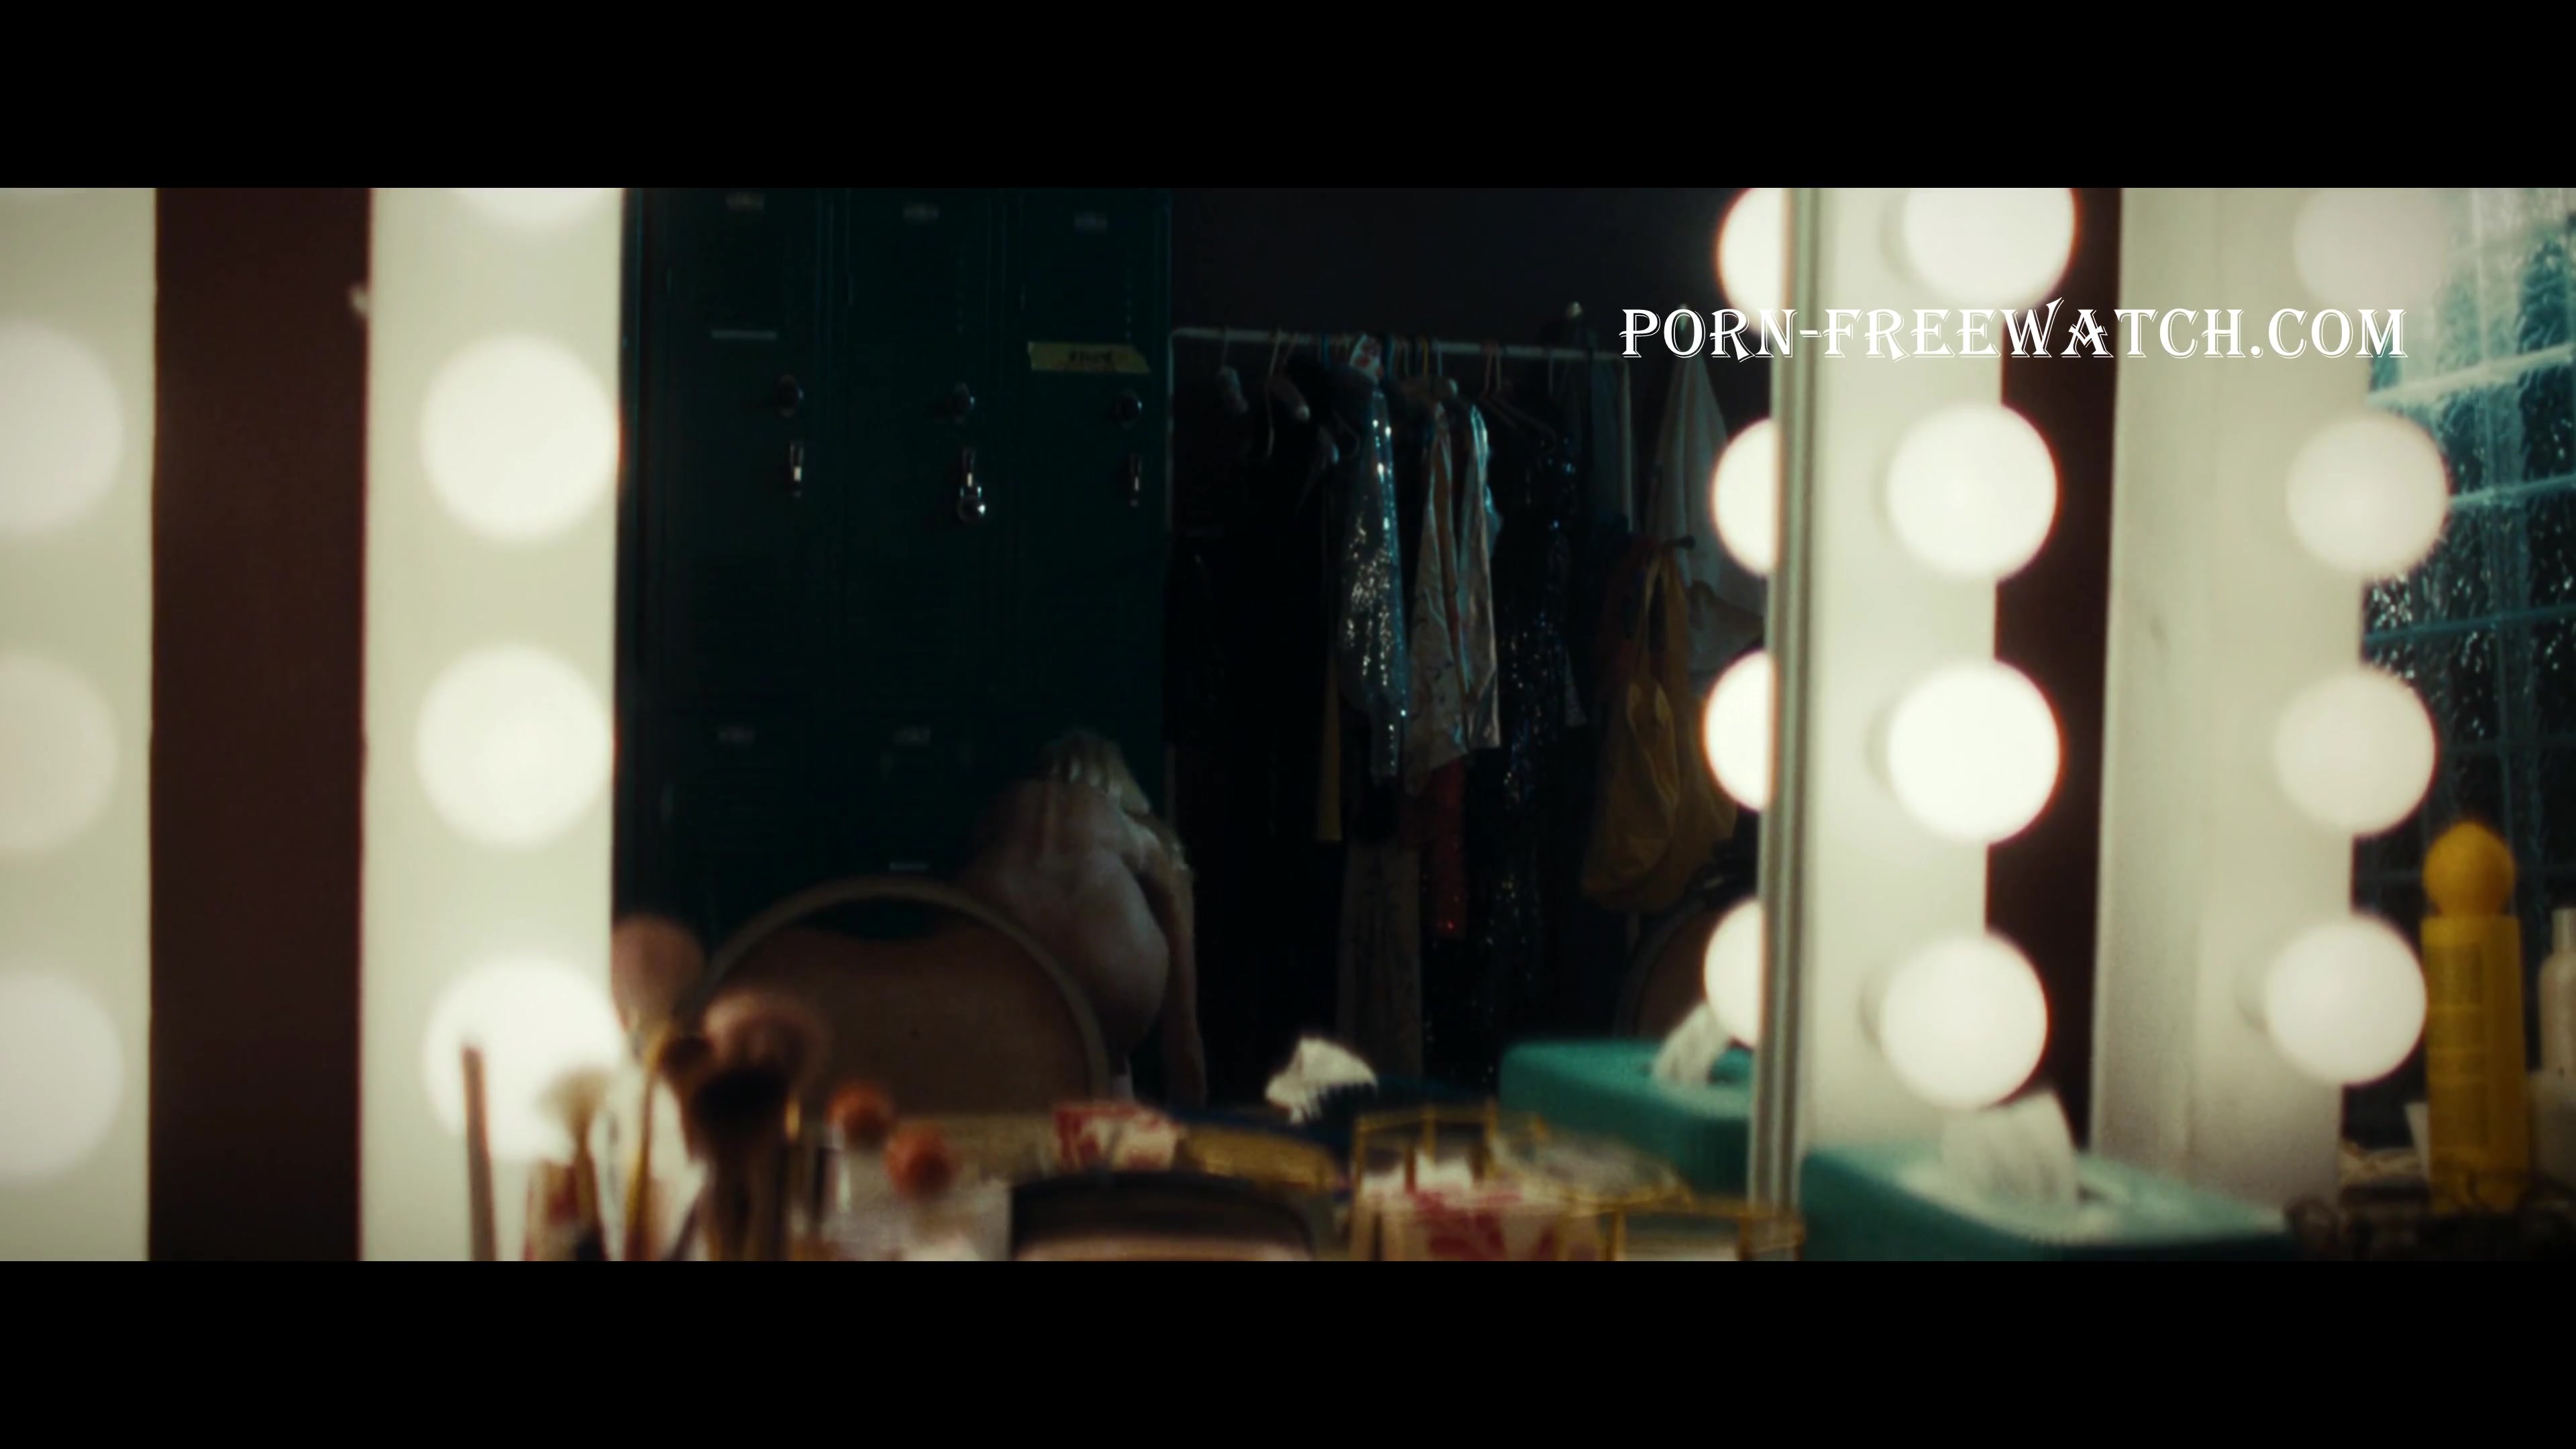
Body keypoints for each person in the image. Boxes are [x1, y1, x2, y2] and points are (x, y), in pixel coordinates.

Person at [959, 730, 1207, 1108]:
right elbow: (1182, 1030)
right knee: (1107, 1056)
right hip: (1104, 975)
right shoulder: (1130, 826)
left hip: (995, 962)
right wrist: (1188, 1068)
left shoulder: (1004, 812)